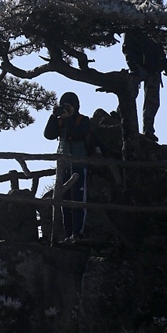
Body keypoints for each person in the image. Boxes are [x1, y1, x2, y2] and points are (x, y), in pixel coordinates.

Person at [43, 92, 103, 242]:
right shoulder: (60, 121)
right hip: (63, 167)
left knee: (78, 200)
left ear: (75, 106)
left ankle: (77, 233)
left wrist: (68, 118)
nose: (65, 108)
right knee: (64, 202)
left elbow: (77, 134)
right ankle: (68, 233)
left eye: (68, 106)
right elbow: (48, 135)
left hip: (79, 165)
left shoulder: (83, 121)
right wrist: (54, 116)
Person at [122, 31, 167, 142]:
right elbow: (127, 48)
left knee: (152, 102)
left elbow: (159, 48)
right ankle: (120, 115)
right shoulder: (132, 28)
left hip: (154, 70)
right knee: (130, 93)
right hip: (139, 67)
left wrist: (165, 64)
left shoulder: (152, 28)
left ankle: (148, 130)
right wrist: (133, 67)